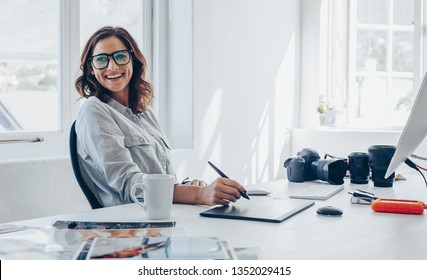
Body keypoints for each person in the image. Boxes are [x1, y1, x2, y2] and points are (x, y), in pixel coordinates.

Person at [74, 26, 246, 207]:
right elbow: (128, 184)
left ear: (133, 60)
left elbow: (162, 176)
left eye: (121, 56)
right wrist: (198, 194)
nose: (112, 66)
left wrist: (188, 188)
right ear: (91, 69)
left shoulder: (144, 111)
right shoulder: (93, 110)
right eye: (101, 59)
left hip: (163, 215)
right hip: (131, 224)